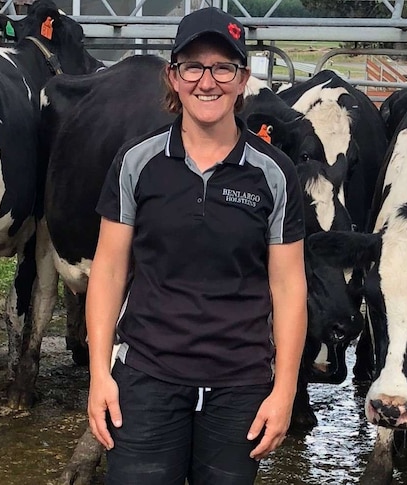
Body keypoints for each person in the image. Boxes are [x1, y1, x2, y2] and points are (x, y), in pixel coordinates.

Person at [85, 7, 307, 485]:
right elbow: (107, 272)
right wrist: (100, 374)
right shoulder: (136, 162)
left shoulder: (274, 173)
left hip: (239, 386)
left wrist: (284, 388)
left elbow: (288, 287)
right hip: (147, 380)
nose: (208, 82)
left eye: (223, 67)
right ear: (174, 76)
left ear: (243, 78)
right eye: (193, 66)